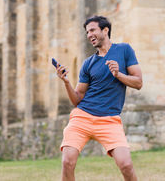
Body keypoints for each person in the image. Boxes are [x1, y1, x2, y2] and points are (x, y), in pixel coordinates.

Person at [56, 15, 142, 181]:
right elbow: (78, 99)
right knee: (67, 161)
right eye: (87, 32)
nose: (89, 35)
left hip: (109, 120)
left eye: (92, 30)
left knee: (126, 164)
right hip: (82, 117)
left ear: (105, 30)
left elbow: (138, 83)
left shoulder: (124, 50)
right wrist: (66, 82)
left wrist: (118, 74)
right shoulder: (88, 63)